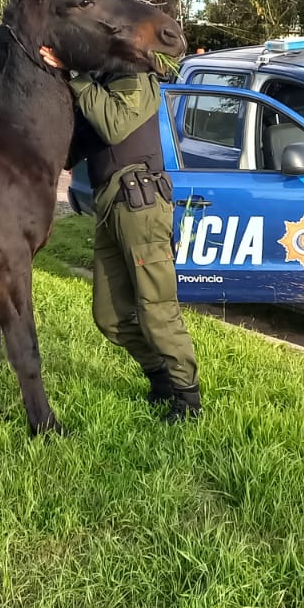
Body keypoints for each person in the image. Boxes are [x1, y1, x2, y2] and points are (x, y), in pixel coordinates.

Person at [39, 46, 202, 422]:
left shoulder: (136, 75)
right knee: (109, 315)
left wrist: (76, 76)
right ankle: (160, 377)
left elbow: (115, 124)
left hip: (140, 204)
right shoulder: (99, 85)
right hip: (111, 205)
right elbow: (69, 151)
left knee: (157, 308)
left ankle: (187, 398)